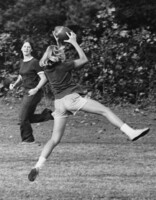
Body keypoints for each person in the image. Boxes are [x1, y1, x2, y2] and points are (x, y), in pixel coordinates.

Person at [28, 30, 150, 181]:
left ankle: (37, 166)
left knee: (54, 139)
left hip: (58, 104)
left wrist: (58, 42)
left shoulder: (47, 69)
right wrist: (74, 42)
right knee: (105, 111)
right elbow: (84, 59)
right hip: (71, 99)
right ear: (58, 55)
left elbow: (55, 55)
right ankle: (130, 132)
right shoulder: (65, 66)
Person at [9, 39, 54, 144]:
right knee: (26, 117)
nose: (26, 48)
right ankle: (47, 115)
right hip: (26, 92)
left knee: (22, 118)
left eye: (28, 47)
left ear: (31, 49)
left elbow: (44, 78)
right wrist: (14, 85)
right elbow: (21, 75)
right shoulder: (22, 62)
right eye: (24, 46)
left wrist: (36, 89)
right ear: (21, 48)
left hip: (34, 92)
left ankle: (28, 139)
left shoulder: (34, 62)